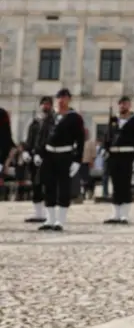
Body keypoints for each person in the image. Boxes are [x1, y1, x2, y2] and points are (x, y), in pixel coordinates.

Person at [38, 88, 86, 232]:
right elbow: (43, 135)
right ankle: (49, 219)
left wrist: (77, 160)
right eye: (59, 97)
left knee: (63, 187)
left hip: (65, 155)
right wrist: (38, 153)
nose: (61, 100)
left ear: (69, 99)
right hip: (49, 155)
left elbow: (80, 140)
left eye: (64, 97)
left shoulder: (75, 118)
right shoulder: (50, 116)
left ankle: (60, 220)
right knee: (48, 186)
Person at [104, 95, 134, 225]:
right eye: (121, 104)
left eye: (125, 104)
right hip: (114, 155)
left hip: (128, 155)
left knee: (125, 184)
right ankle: (115, 213)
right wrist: (105, 149)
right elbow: (107, 136)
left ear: (130, 105)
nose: (123, 106)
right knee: (115, 184)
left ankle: (124, 214)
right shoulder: (113, 119)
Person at [22, 96, 53, 223]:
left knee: (47, 185)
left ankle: (48, 214)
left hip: (47, 158)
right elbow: (30, 139)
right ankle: (38, 213)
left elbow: (50, 140)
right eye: (43, 104)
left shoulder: (52, 122)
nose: (45, 106)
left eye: (48, 104)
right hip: (33, 159)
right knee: (36, 185)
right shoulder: (34, 122)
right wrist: (26, 151)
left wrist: (41, 153)